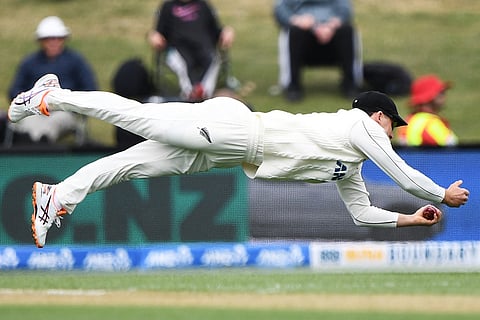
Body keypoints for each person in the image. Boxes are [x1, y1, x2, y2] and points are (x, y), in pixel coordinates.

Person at [8, 74, 469, 248]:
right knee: (139, 117)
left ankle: (56, 195)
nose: (394, 131)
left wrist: (410, 219)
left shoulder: (347, 164)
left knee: (129, 164)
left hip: (226, 156)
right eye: (394, 123)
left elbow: (360, 212)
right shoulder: (362, 128)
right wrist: (441, 195)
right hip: (237, 131)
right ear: (378, 116)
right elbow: (403, 173)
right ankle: (53, 94)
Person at [7, 16, 98, 146]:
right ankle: (37, 145)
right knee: (31, 124)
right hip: (34, 111)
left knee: (52, 125)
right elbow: (14, 90)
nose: (53, 42)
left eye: (57, 38)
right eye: (48, 39)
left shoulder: (76, 61)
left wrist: (69, 102)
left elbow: (89, 88)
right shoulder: (29, 63)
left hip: (64, 111)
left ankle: (40, 146)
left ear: (63, 40)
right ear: (41, 41)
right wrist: (31, 100)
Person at [273, 0, 362, 101]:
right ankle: (293, 86)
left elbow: (345, 10)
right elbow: (280, 10)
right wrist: (296, 20)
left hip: (332, 31)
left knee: (346, 30)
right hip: (303, 31)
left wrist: (332, 24)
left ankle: (350, 85)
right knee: (295, 31)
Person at [148, 0, 235, 101]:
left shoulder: (203, 5)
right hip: (177, 48)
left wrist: (226, 32)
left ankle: (204, 95)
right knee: (183, 63)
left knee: (213, 60)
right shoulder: (168, 6)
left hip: (204, 48)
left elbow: (216, 30)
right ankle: (190, 95)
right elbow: (158, 32)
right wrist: (154, 36)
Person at [396, 74, 458, 147]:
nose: (444, 95)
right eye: (441, 92)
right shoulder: (431, 124)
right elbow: (452, 150)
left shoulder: (408, 121)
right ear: (429, 97)